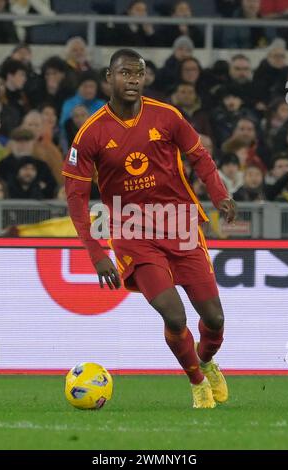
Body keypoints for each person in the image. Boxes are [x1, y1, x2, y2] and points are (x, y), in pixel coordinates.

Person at [63, 49, 236, 409]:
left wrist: (219, 194)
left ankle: (205, 361)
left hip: (180, 226)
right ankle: (197, 381)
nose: (133, 80)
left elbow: (200, 157)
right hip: (132, 235)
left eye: (138, 73)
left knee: (215, 318)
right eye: (124, 73)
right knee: (174, 315)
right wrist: (97, 255)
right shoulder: (90, 134)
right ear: (108, 77)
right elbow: (77, 201)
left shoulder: (167, 116)